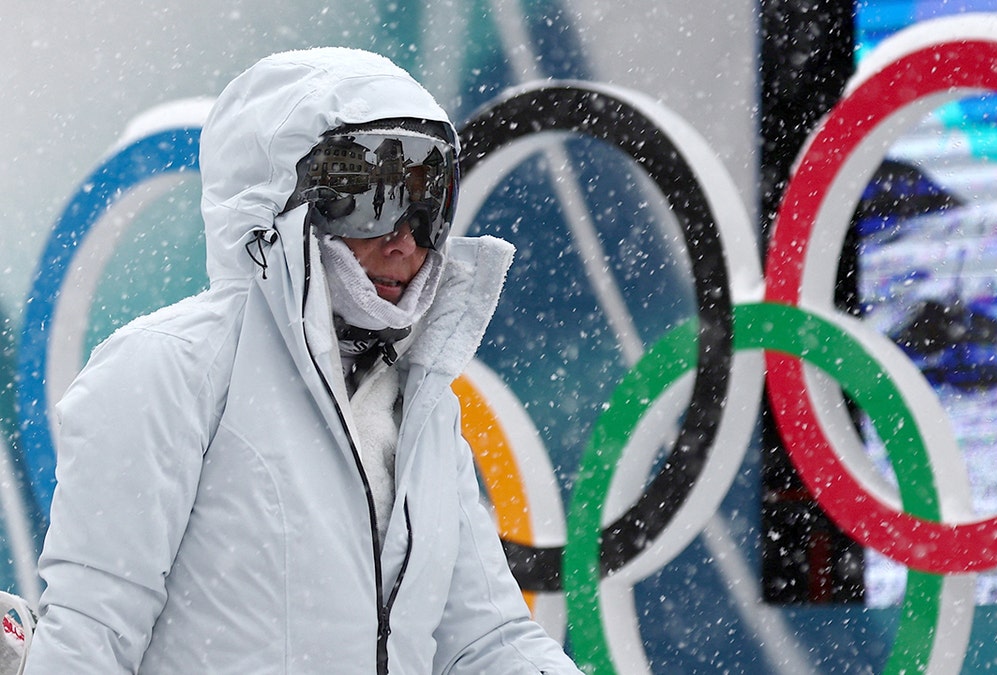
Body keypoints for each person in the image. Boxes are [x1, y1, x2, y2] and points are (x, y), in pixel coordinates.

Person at [24, 47, 583, 674]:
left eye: (427, 204)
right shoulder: (170, 369)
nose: (404, 241)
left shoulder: (418, 402)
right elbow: (92, 631)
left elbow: (486, 640)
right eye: (371, 199)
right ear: (278, 204)